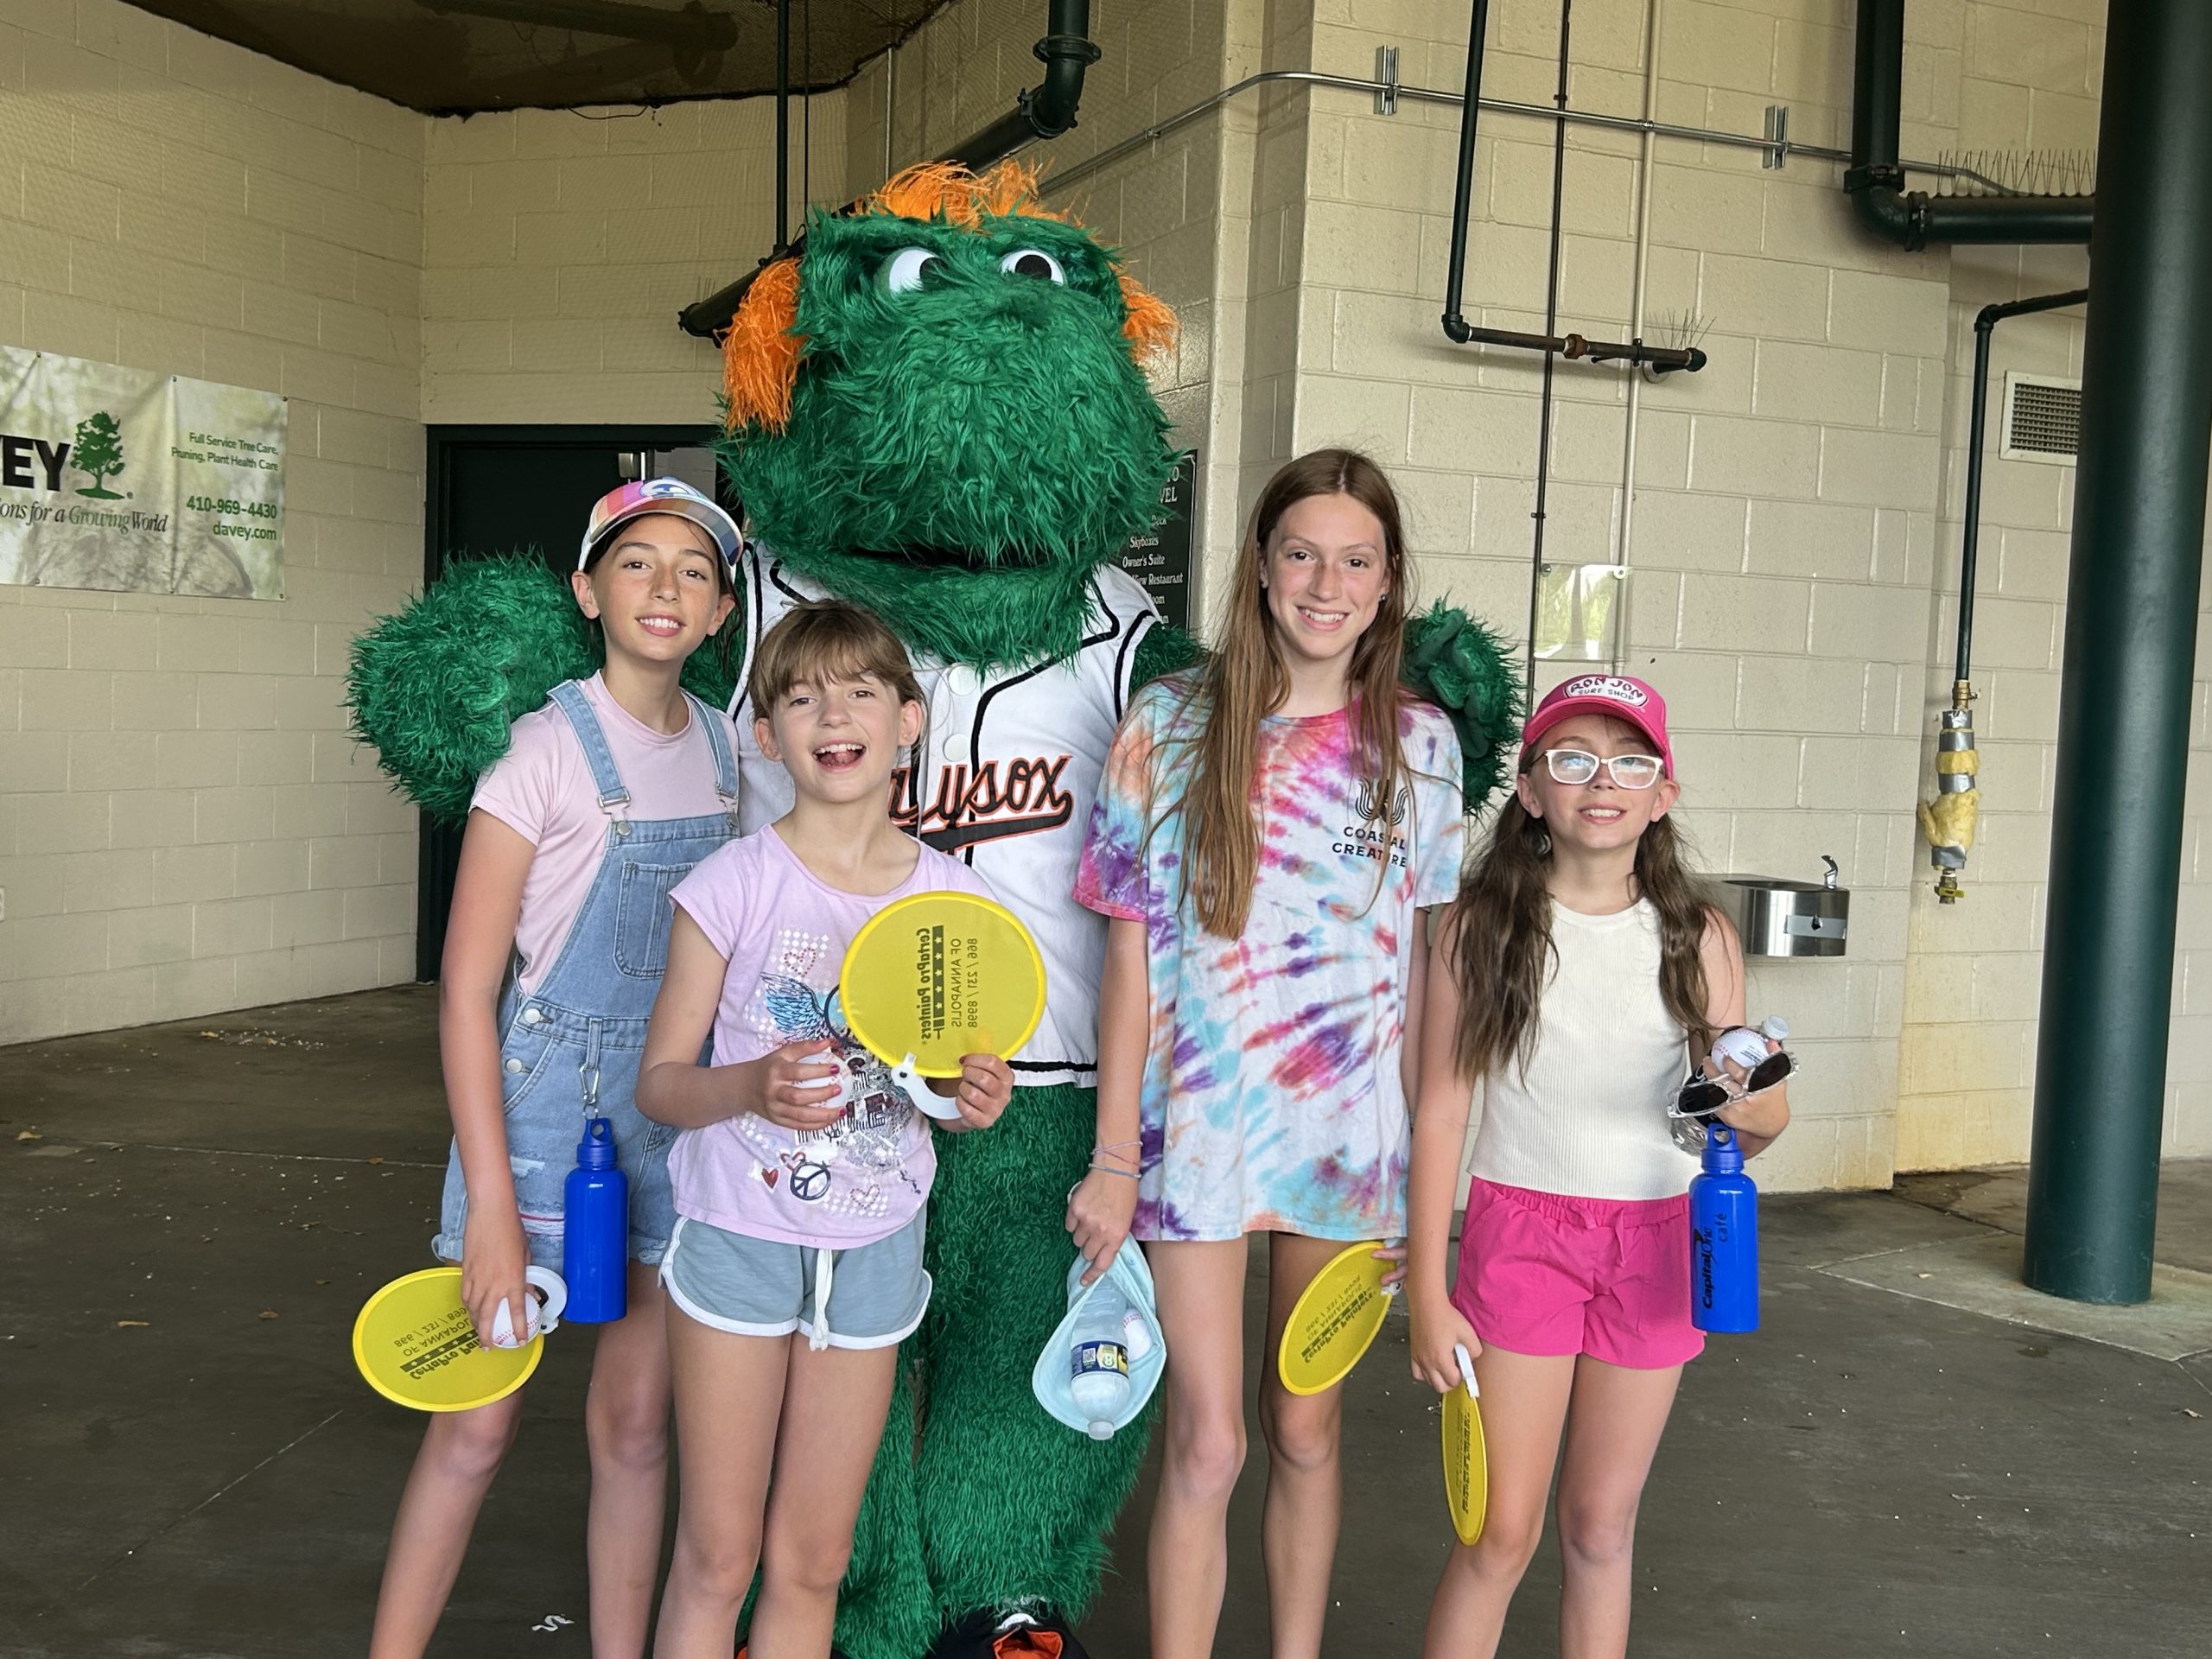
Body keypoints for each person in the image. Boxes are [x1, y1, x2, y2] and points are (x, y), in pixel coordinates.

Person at [1065, 448, 1465, 1659]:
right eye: (1301, 552)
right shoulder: (1168, 727)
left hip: (1349, 1149)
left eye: (1355, 559)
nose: (1325, 581)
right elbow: (1127, 953)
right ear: (1260, 567)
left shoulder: (1422, 747)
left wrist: (1427, 1192)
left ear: (1389, 582)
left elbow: (1428, 969)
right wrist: (1114, 1156)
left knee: (1303, 1429)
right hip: (1198, 1137)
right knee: (1208, 1439)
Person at [370, 479, 747, 1659]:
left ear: (723, 610)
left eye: (695, 569)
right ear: (588, 589)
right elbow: (470, 993)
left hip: (671, 1118)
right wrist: (489, 1208)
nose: (666, 588)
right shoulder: (541, 750)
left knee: (636, 1430)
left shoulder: (732, 752)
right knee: (475, 1427)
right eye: (637, 563)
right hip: (542, 1119)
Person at [635, 599, 1015, 1659]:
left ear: (908, 720)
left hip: (876, 1255)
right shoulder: (732, 884)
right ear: (766, 735)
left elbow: (950, 1083)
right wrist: (749, 1086)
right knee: (718, 1556)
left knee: (814, 1561)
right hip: (738, 1244)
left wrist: (976, 1099)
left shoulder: (955, 904)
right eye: (801, 696)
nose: (831, 713)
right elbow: (661, 1085)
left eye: (860, 691)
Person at [1403, 674, 1792, 1659]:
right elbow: (1441, 1109)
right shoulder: (1479, 927)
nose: (1600, 780)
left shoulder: (1698, 938)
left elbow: (1755, 1122)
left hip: (1659, 1240)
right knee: (1498, 1532)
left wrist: (1747, 1098)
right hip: (1519, 1233)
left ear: (1662, 795)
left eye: (1629, 761)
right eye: (1571, 758)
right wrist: (1426, 1285)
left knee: (1601, 1528)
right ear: (1531, 790)